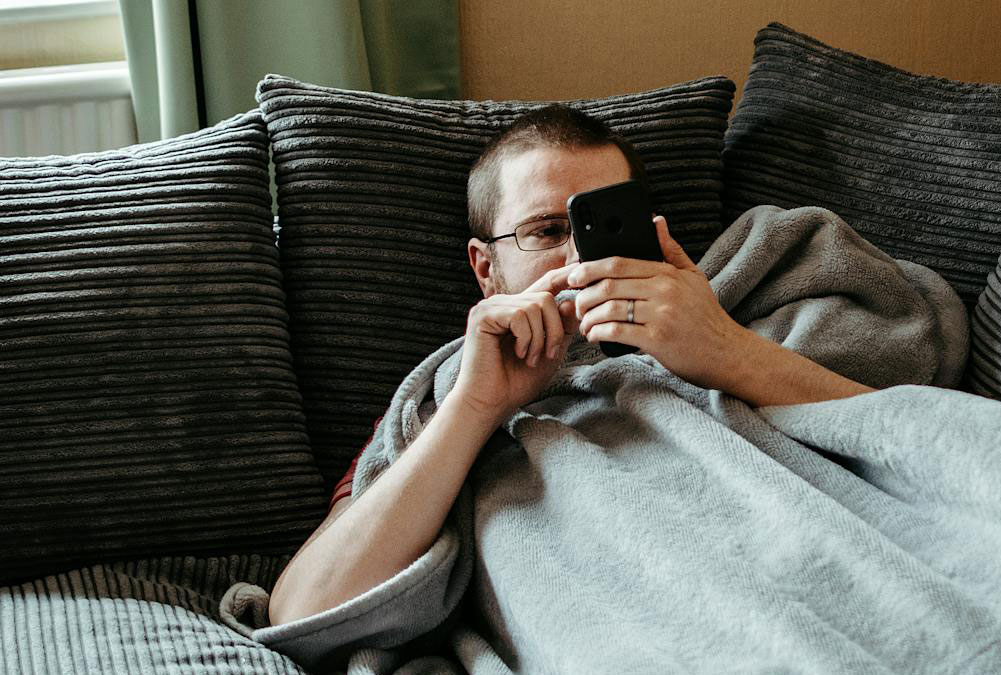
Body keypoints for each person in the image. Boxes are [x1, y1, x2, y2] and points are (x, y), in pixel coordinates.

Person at [266, 105, 875, 626]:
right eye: (548, 230)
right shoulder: (442, 401)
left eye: (603, 221)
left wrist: (724, 351)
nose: (581, 257)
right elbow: (302, 606)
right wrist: (475, 410)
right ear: (486, 270)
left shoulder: (750, 307)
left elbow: (910, 434)